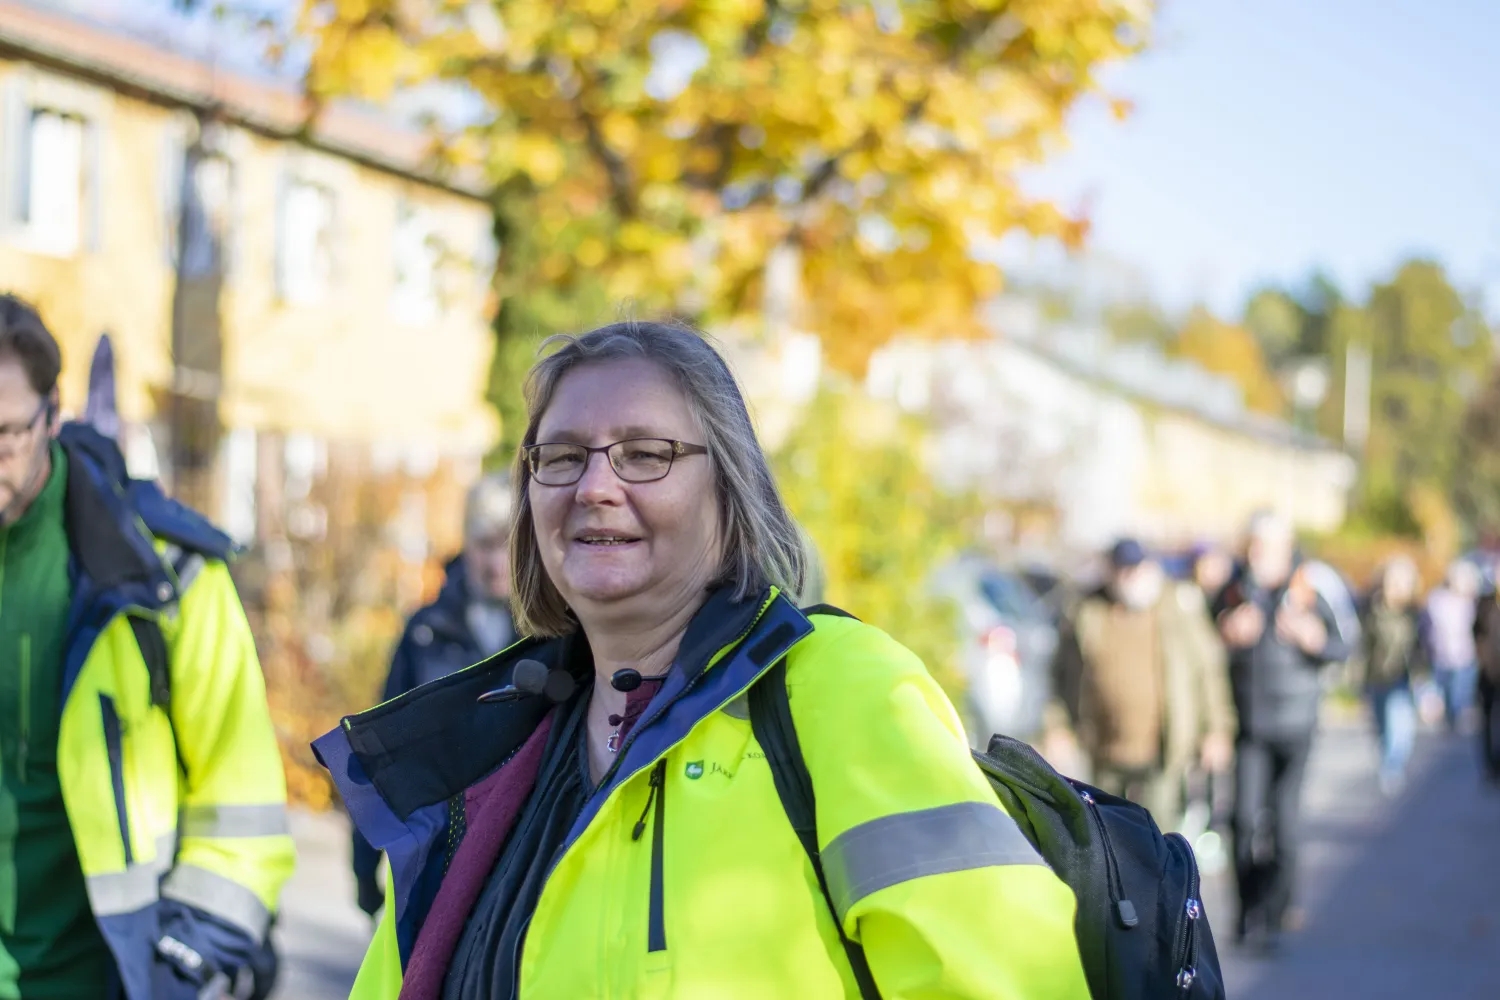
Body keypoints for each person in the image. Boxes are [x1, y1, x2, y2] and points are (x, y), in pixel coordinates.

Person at [317, 321, 1090, 998]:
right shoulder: (492, 749)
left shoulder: (842, 691)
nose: (594, 486)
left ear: (730, 491)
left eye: (646, 454)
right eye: (560, 456)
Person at [0, 295, 293, 999]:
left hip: (100, 980)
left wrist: (183, 962)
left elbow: (241, 802)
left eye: (4, 434)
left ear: (54, 418)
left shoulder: (167, 574)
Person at [351, 474, 518, 916]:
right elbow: (380, 750)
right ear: (466, 544)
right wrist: (364, 864)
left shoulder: (548, 634)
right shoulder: (426, 632)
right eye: (485, 544)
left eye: (510, 543)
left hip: (515, 861)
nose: (497, 561)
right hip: (433, 860)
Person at [1213, 510, 1348, 954]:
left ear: (1285, 549)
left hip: (1296, 726)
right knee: (1243, 821)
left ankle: (1274, 914)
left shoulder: (1307, 589)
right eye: (1252, 546)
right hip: (1250, 725)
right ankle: (1244, 911)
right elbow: (1202, 640)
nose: (1258, 555)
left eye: (1266, 547)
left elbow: (1341, 647)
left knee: (1285, 824)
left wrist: (1313, 639)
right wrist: (1225, 633)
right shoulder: (1232, 590)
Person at [1049, 538, 1236, 829]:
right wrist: (1057, 727)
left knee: (1157, 839)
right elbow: (1062, 675)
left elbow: (1208, 670)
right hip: (1105, 749)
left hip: (1162, 751)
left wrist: (1216, 728)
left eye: (1136, 569)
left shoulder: (1177, 607)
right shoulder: (1087, 611)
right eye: (1122, 570)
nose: (1129, 577)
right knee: (1107, 838)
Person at [1354, 557, 1425, 796]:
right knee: (1383, 725)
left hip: (1402, 679)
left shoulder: (1414, 614)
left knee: (1401, 726)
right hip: (1377, 677)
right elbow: (1363, 647)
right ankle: (1387, 760)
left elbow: (1421, 649)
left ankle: (1392, 766)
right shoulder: (1372, 611)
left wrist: (1424, 678)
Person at [1422, 560, 1481, 733]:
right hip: (1441, 653)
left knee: (1461, 689)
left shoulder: (1472, 602)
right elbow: (1429, 625)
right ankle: (1449, 717)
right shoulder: (1438, 599)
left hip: (1464, 653)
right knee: (1444, 687)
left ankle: (1456, 716)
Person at [1471, 583, 1500, 784]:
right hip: (1489, 673)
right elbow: (1476, 634)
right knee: (1488, 720)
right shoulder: (1486, 603)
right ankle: (1490, 766)